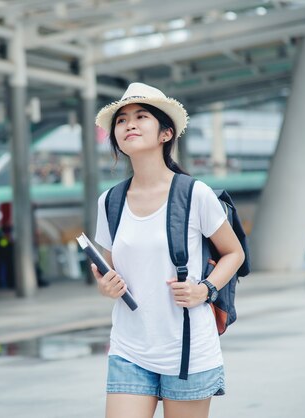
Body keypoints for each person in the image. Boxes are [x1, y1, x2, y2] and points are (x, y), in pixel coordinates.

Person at [91, 83, 245, 418]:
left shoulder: (195, 194)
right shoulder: (110, 201)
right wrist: (105, 284)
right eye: (121, 120)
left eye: (141, 116)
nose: (129, 124)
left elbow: (234, 253)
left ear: (165, 133)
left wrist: (205, 289)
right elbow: (108, 267)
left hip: (187, 348)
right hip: (129, 347)